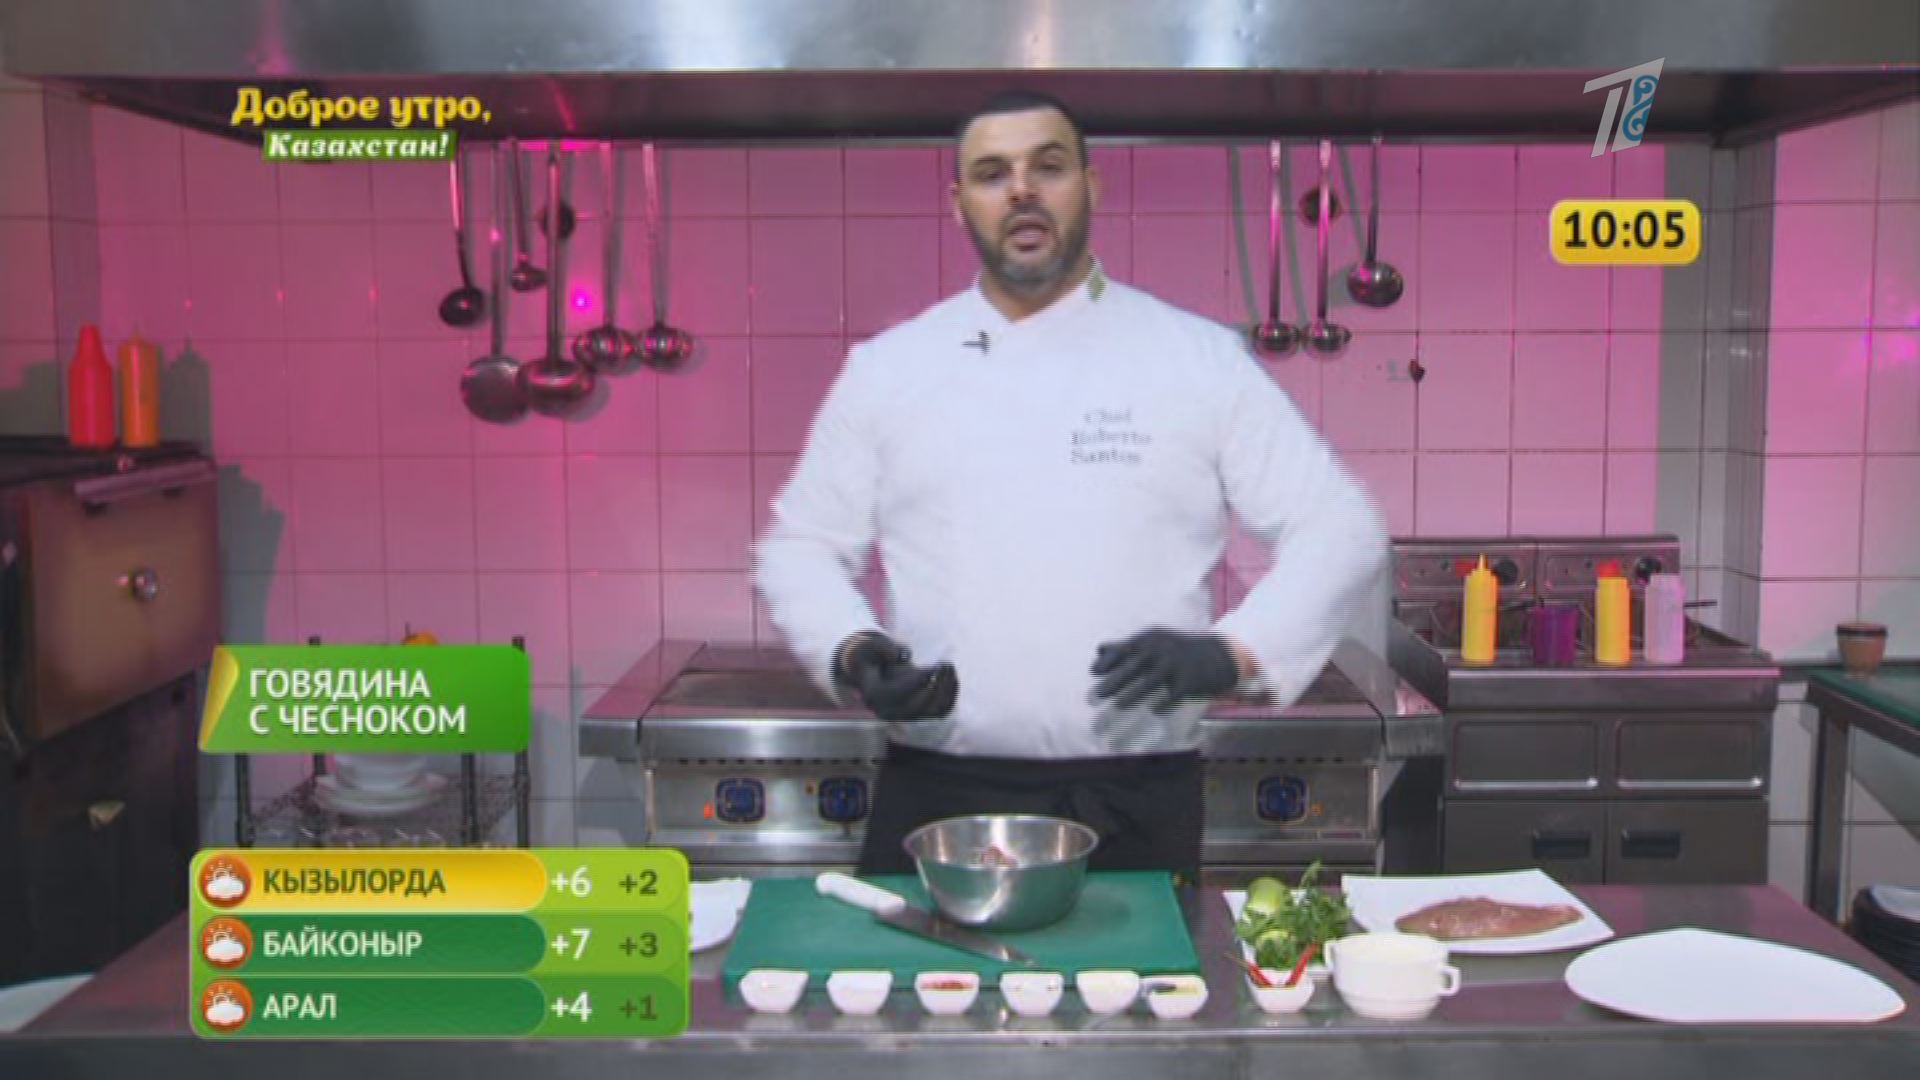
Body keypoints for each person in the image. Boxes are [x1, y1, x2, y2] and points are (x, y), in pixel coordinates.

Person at [754, 90, 1387, 884]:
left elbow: (1340, 527)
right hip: (940, 795)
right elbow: (803, 548)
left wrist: (1235, 651)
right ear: (958, 204)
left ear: (1091, 186)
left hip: (1136, 799)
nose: (1021, 190)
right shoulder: (891, 369)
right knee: (920, 973)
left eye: (1047, 167)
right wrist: (852, 647)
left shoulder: (1195, 360)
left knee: (1143, 972)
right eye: (992, 173)